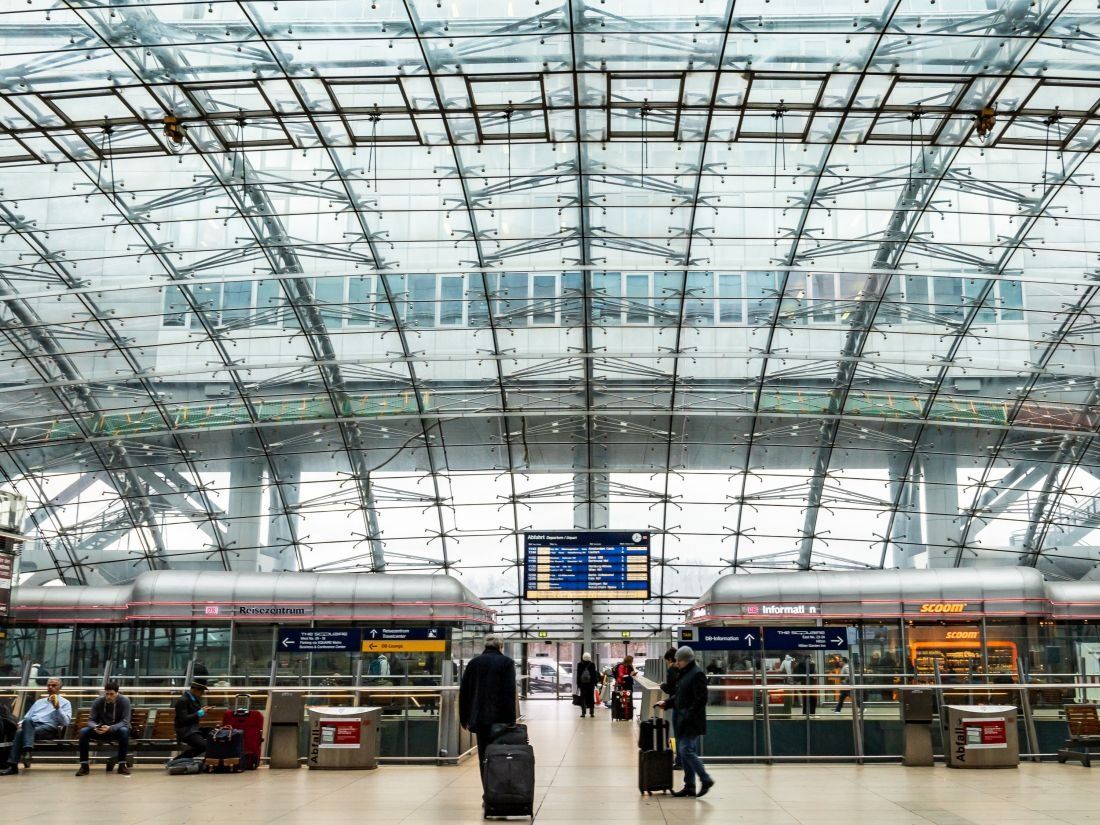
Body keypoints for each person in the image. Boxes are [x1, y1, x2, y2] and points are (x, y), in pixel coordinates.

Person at [458, 635, 517, 789]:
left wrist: (464, 717)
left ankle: (487, 790)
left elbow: (465, 692)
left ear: (485, 646)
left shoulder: (474, 663)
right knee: (501, 754)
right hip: (501, 719)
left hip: (480, 719)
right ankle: (499, 790)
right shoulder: (507, 663)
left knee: (484, 755)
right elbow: (509, 693)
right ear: (500, 646)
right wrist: (512, 720)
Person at [656, 647, 713, 799]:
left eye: (679, 660)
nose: (677, 663)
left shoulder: (697, 674)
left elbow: (700, 699)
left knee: (686, 750)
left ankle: (705, 779)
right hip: (683, 719)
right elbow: (679, 696)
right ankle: (689, 786)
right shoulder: (685, 673)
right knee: (685, 752)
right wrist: (667, 703)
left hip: (691, 720)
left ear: (686, 660)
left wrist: (687, 715)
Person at [1, 677, 72, 775]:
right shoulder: (39, 702)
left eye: (54, 685)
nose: (50, 687)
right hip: (32, 726)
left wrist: (58, 708)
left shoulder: (65, 703)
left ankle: (14, 765)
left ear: (60, 687)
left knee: (20, 733)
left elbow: (66, 722)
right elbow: (27, 717)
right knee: (26, 723)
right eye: (48, 685)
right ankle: (27, 748)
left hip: (48, 728)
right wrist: (20, 724)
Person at [76, 681, 132, 776]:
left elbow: (125, 721)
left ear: (117, 693)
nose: (108, 696)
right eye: (107, 694)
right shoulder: (98, 701)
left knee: (124, 730)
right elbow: (90, 720)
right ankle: (84, 766)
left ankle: (122, 765)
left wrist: (110, 728)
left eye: (111, 694)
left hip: (116, 731)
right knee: (83, 731)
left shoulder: (124, 701)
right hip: (101, 730)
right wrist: (95, 727)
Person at [173, 681, 211, 761]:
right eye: (201, 691)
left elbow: (194, 713)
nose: (202, 694)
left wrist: (202, 711)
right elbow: (184, 719)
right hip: (185, 732)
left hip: (193, 729)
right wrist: (199, 713)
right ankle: (177, 761)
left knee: (213, 733)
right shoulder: (182, 700)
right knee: (203, 746)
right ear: (195, 690)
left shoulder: (194, 699)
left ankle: (211, 761)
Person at [574, 652, 599, 718]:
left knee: (583, 698)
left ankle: (583, 713)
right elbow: (594, 675)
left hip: (582, 684)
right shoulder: (592, 664)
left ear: (583, 657)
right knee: (591, 698)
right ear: (589, 658)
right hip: (590, 684)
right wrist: (595, 683)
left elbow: (578, 675)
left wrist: (578, 683)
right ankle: (592, 713)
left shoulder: (579, 664)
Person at [614, 655, 638, 720]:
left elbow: (631, 673)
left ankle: (628, 713)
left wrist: (633, 674)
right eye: (632, 660)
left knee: (629, 698)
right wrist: (629, 675)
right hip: (623, 684)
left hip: (629, 684)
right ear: (629, 660)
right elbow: (621, 675)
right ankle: (623, 713)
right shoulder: (621, 666)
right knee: (623, 699)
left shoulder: (630, 666)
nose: (632, 662)